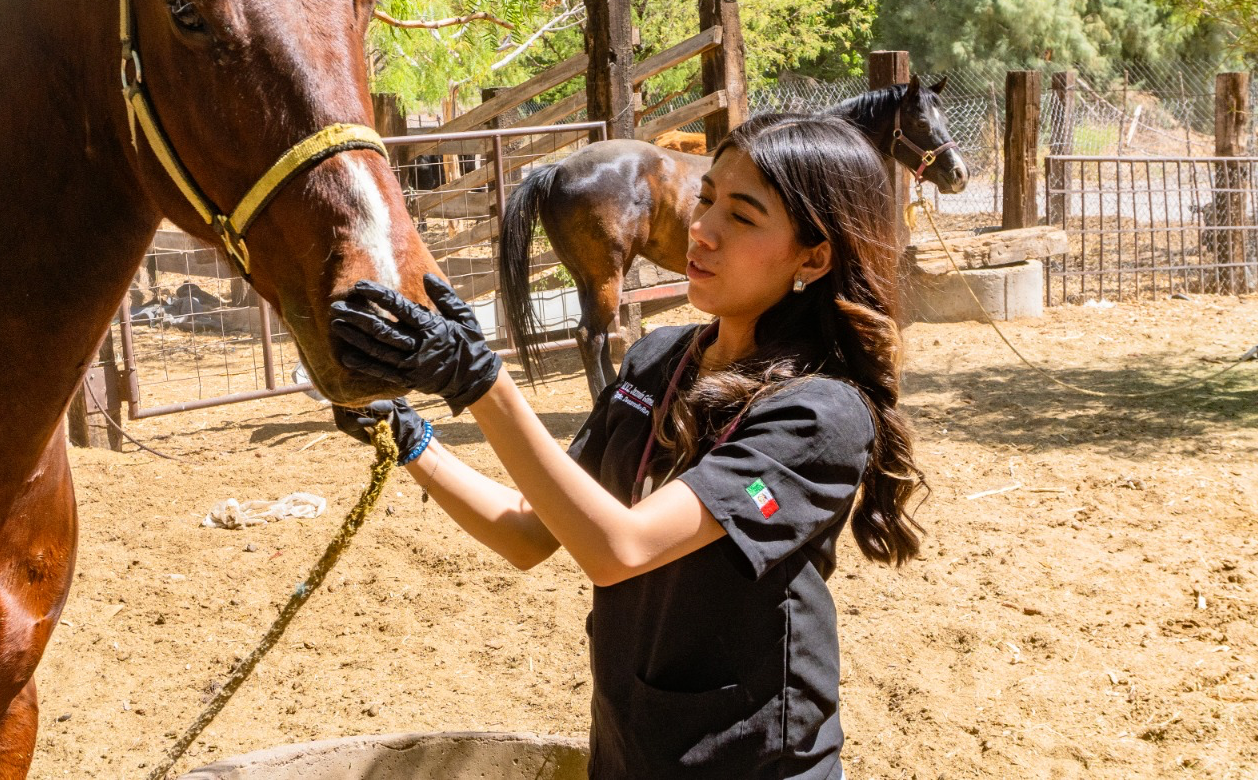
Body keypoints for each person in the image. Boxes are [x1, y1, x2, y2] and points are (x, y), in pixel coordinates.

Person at [329, 114, 927, 780]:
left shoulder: (820, 416)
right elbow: (532, 533)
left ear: (813, 257)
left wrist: (478, 380)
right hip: (629, 750)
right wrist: (410, 437)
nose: (701, 230)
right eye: (706, 200)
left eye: (744, 216)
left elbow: (621, 548)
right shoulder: (656, 362)